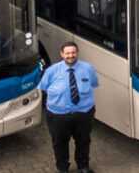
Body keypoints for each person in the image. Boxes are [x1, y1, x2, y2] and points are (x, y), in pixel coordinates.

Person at [39, 42, 99, 173]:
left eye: (73, 52)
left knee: (83, 141)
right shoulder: (51, 71)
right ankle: (62, 168)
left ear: (77, 53)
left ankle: (83, 166)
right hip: (58, 115)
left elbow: (94, 84)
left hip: (83, 113)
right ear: (62, 54)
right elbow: (43, 88)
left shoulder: (88, 69)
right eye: (67, 53)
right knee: (59, 142)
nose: (70, 55)